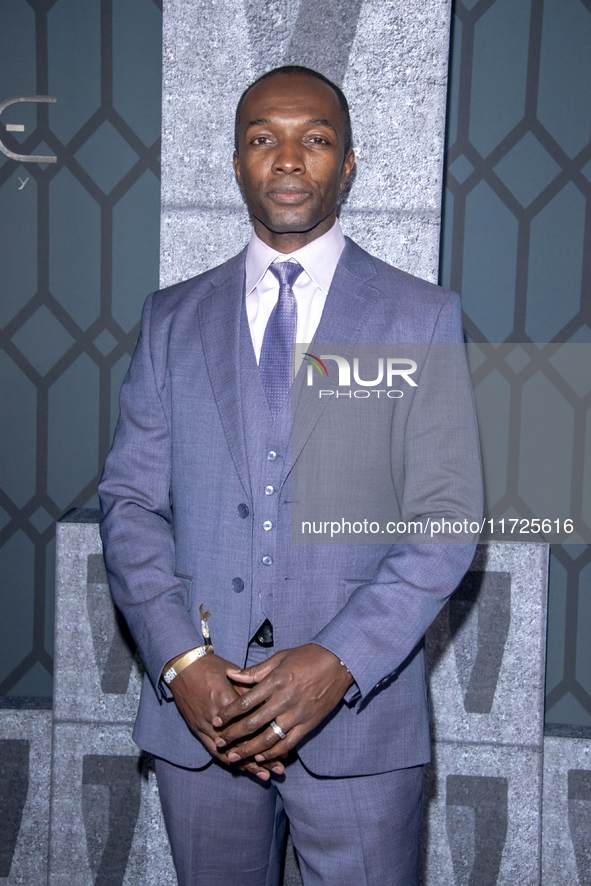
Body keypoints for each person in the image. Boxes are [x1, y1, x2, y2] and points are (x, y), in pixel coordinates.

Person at [98, 65, 482, 886]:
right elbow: (128, 504)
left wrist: (337, 661)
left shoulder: (421, 317)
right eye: (262, 138)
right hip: (203, 727)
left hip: (360, 729)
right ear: (236, 162)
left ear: (346, 165)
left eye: (314, 139)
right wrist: (178, 665)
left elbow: (445, 521)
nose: (287, 158)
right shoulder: (170, 319)